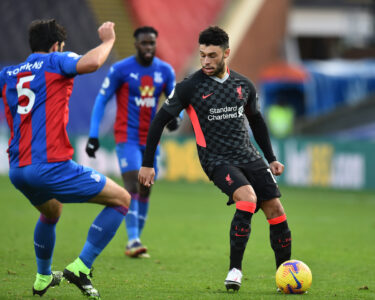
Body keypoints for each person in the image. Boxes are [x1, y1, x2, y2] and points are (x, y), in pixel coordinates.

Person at [138, 26, 292, 292]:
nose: (206, 61)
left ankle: (285, 275)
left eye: (212, 55)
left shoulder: (244, 85)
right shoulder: (189, 87)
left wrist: (271, 158)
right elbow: (159, 121)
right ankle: (235, 270)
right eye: (202, 55)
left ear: (226, 53)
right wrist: (148, 163)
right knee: (247, 199)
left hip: (249, 155)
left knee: (276, 210)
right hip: (217, 159)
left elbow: (256, 121)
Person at [0, 19, 131, 299]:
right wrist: (108, 40)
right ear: (56, 45)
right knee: (122, 199)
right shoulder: (56, 61)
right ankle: (81, 267)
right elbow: (92, 63)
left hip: (17, 169)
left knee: (51, 211)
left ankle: (43, 277)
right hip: (49, 165)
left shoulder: (8, 74)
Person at [86, 26, 180, 258]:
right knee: (133, 184)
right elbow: (101, 99)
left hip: (151, 139)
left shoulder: (165, 71)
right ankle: (133, 240)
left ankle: (136, 236)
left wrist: (176, 118)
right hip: (126, 136)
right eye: (144, 43)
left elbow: (176, 100)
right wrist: (93, 134)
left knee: (145, 189)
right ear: (136, 44)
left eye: (152, 43)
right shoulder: (121, 69)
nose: (148, 47)